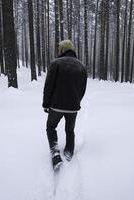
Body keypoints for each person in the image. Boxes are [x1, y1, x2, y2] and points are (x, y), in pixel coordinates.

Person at [43, 40, 87, 170]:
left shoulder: (56, 63)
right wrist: (76, 101)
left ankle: (55, 153)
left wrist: (46, 103)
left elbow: (48, 85)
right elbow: (82, 88)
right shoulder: (81, 66)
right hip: (73, 107)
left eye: (59, 49)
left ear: (62, 50)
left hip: (56, 105)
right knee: (70, 129)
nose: (58, 51)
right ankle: (69, 151)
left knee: (51, 127)